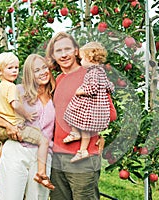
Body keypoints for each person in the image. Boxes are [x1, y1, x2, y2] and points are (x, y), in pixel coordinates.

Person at [0, 54, 56, 199]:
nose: (43, 72)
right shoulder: (17, 90)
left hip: (42, 156)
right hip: (17, 149)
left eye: (44, 68)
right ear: (30, 73)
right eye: (37, 70)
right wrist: (8, 125)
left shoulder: (56, 95)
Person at [45, 32, 104, 200]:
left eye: (67, 49)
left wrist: (100, 135)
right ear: (53, 56)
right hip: (57, 156)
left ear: (77, 51)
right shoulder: (58, 79)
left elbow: (110, 113)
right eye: (58, 51)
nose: (63, 55)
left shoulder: (90, 75)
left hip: (82, 158)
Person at [63, 42, 114, 163]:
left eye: (81, 59)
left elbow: (93, 87)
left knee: (76, 117)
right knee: (82, 124)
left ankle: (81, 148)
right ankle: (81, 146)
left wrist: (81, 91)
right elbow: (109, 86)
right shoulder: (101, 71)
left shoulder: (93, 72)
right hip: (98, 110)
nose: (80, 62)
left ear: (89, 58)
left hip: (91, 109)